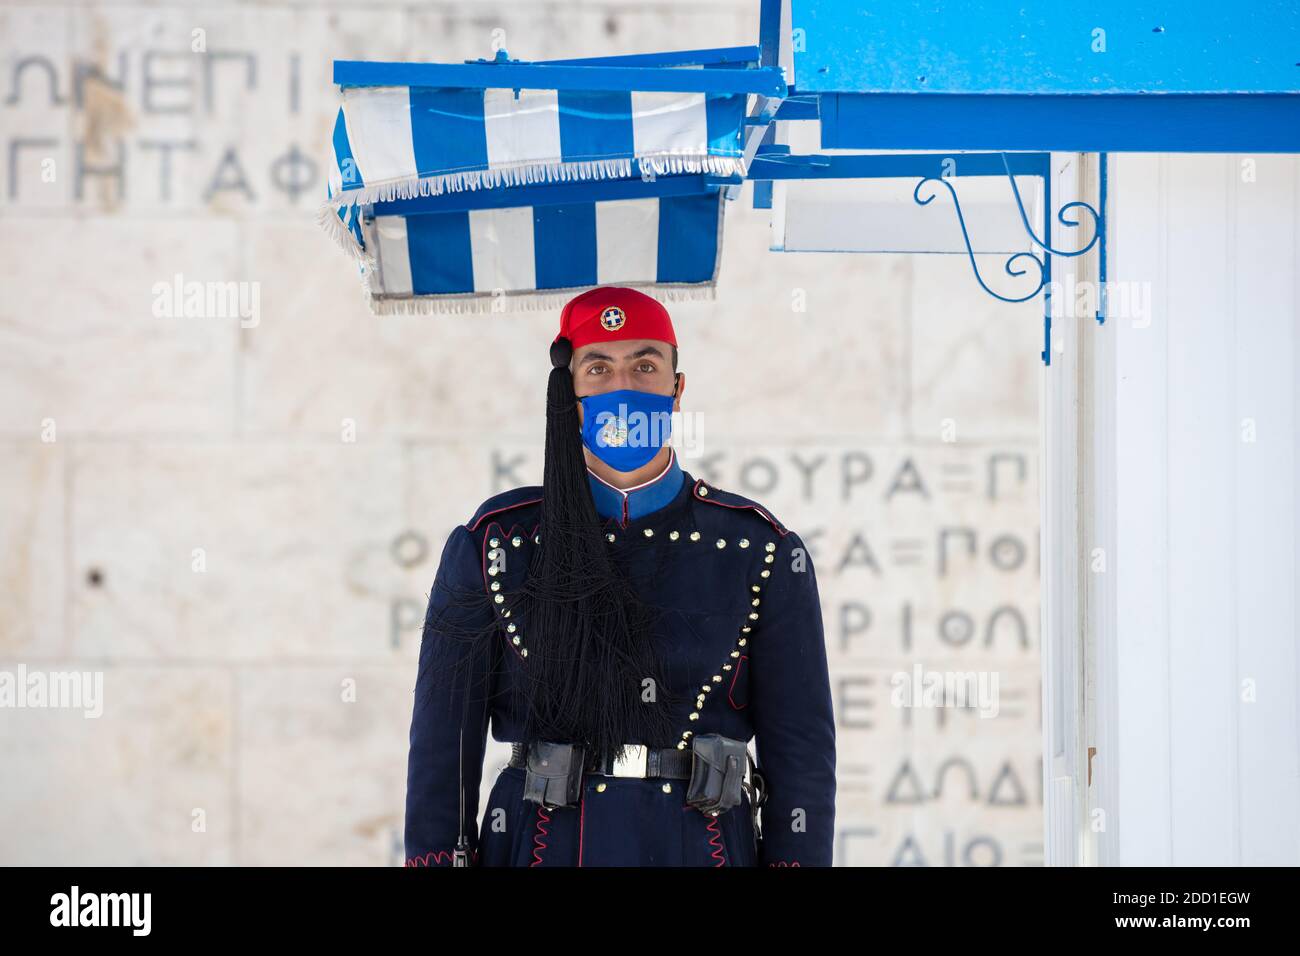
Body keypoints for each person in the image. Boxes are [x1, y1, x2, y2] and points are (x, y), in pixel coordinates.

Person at [403, 285, 836, 866]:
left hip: (698, 847)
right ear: (570, 392)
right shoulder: (495, 543)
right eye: (599, 367)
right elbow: (442, 746)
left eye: (645, 365)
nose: (623, 387)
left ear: (677, 389)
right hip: (539, 846)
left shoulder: (759, 548)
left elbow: (801, 753)